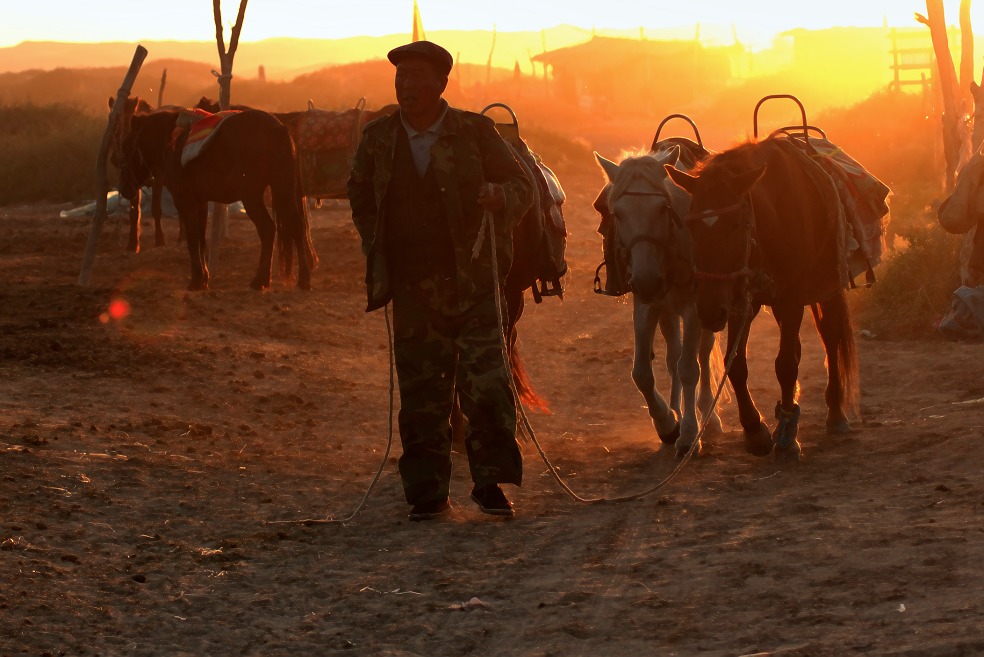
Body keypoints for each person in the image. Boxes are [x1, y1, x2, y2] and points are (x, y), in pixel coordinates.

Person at [347, 40, 533, 521]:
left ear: (440, 84)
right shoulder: (379, 137)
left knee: (487, 388)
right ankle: (427, 495)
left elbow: (522, 185)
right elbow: (360, 191)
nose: (405, 85)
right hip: (412, 289)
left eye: (415, 76)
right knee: (422, 394)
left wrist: (499, 195)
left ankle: (489, 485)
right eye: (399, 76)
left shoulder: (475, 132)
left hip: (473, 284)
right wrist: (376, 242)